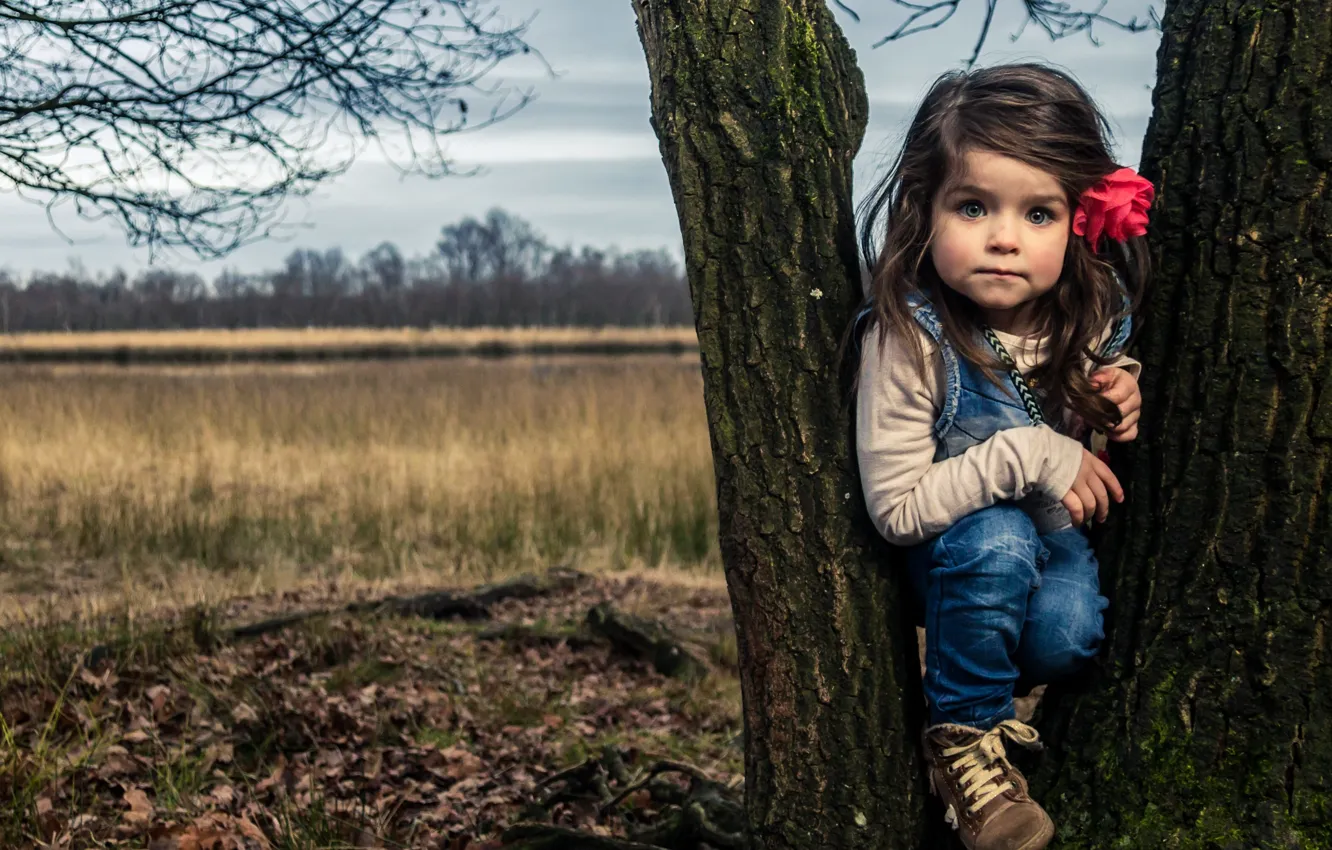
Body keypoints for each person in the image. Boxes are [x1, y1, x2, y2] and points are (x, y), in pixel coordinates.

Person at [851, 63, 1153, 850]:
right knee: (997, 539)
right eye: (974, 206)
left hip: (1051, 544)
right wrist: (1034, 454)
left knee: (1066, 637)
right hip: (950, 548)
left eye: (1039, 213)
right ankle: (965, 743)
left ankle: (973, 670)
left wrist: (1121, 392)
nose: (1004, 237)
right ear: (927, 211)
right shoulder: (909, 335)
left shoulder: (1088, 312)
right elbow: (895, 508)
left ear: (1080, 223)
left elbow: (1107, 384)